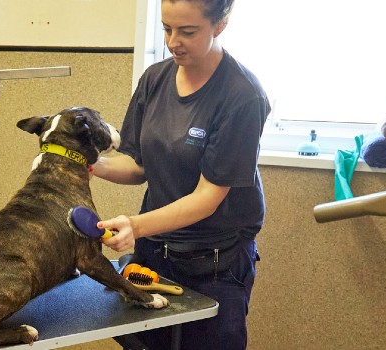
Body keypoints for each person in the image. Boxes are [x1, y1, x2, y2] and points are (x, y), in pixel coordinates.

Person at [92, 0, 270, 349]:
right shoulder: (154, 79)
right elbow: (138, 165)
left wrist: (136, 225)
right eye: (167, 28)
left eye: (188, 31)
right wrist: (87, 163)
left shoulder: (242, 96)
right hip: (156, 254)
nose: (174, 41)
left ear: (220, 24)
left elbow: (207, 198)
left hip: (215, 262)